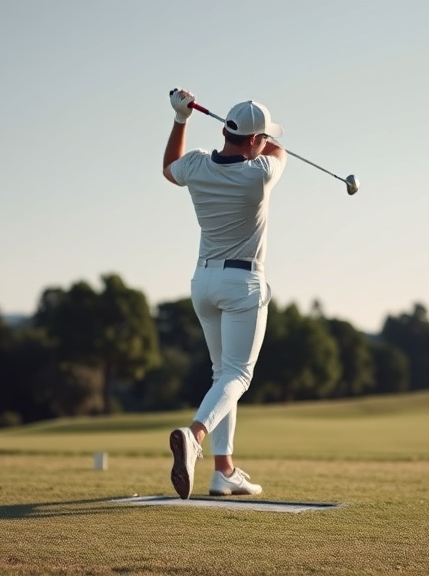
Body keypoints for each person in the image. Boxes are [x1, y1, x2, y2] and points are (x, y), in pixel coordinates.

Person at [162, 89, 288, 499]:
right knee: (238, 375)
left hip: (203, 283)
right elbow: (278, 151)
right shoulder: (260, 174)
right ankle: (194, 435)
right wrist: (265, 139)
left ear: (224, 129)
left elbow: (168, 168)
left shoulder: (196, 164)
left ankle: (225, 471)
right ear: (254, 141)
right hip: (242, 286)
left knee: (222, 377)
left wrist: (180, 119)